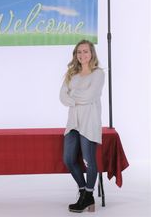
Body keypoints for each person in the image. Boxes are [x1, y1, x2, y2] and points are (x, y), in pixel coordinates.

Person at [59, 39, 105, 213]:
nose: (82, 55)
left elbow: (91, 96)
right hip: (73, 123)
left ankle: (88, 195)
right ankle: (84, 191)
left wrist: (73, 96)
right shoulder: (72, 73)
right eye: (79, 52)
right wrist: (75, 97)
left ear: (91, 53)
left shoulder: (98, 74)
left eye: (85, 51)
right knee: (69, 159)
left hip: (89, 122)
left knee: (89, 161)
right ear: (75, 55)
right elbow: (62, 97)